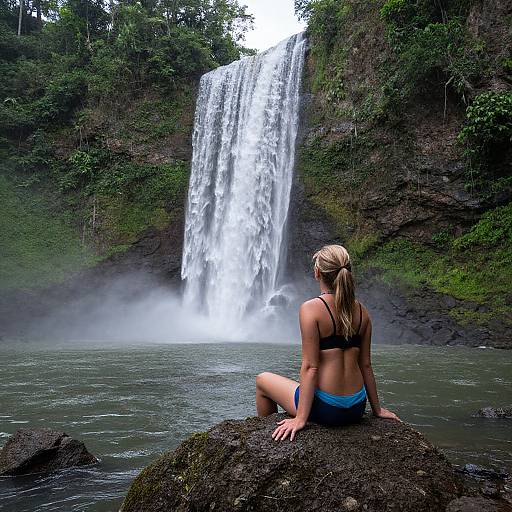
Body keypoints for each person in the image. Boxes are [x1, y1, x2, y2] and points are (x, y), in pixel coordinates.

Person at [256, 244, 400, 441]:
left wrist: (300, 418)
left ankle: (270, 439)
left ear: (318, 273)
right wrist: (377, 409)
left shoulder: (311, 309)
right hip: (356, 407)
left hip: (326, 409)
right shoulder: (362, 312)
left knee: (262, 380)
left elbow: (310, 367)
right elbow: (365, 364)